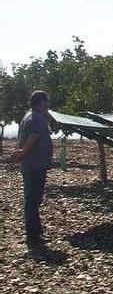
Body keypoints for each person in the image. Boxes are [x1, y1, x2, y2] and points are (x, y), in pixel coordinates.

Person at [9, 91, 58, 247]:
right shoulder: (37, 117)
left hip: (31, 164)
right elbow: (34, 136)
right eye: (46, 101)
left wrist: (19, 153)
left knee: (32, 199)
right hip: (35, 165)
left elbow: (24, 138)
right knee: (33, 200)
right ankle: (33, 235)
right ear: (41, 102)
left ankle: (35, 231)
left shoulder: (28, 116)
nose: (48, 104)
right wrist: (22, 152)